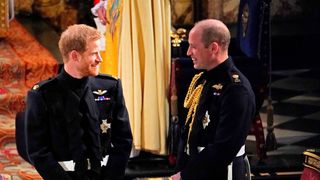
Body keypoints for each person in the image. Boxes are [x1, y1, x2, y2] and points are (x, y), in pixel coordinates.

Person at [24, 24, 133, 180]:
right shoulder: (43, 95)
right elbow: (38, 151)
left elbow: (123, 140)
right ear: (75, 56)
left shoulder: (110, 86)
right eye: (94, 53)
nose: (99, 59)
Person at [172, 19, 256, 180]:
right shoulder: (203, 78)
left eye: (193, 47)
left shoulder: (236, 90)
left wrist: (186, 175)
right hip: (197, 169)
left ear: (213, 48)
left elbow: (224, 148)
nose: (188, 52)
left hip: (221, 173)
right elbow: (189, 132)